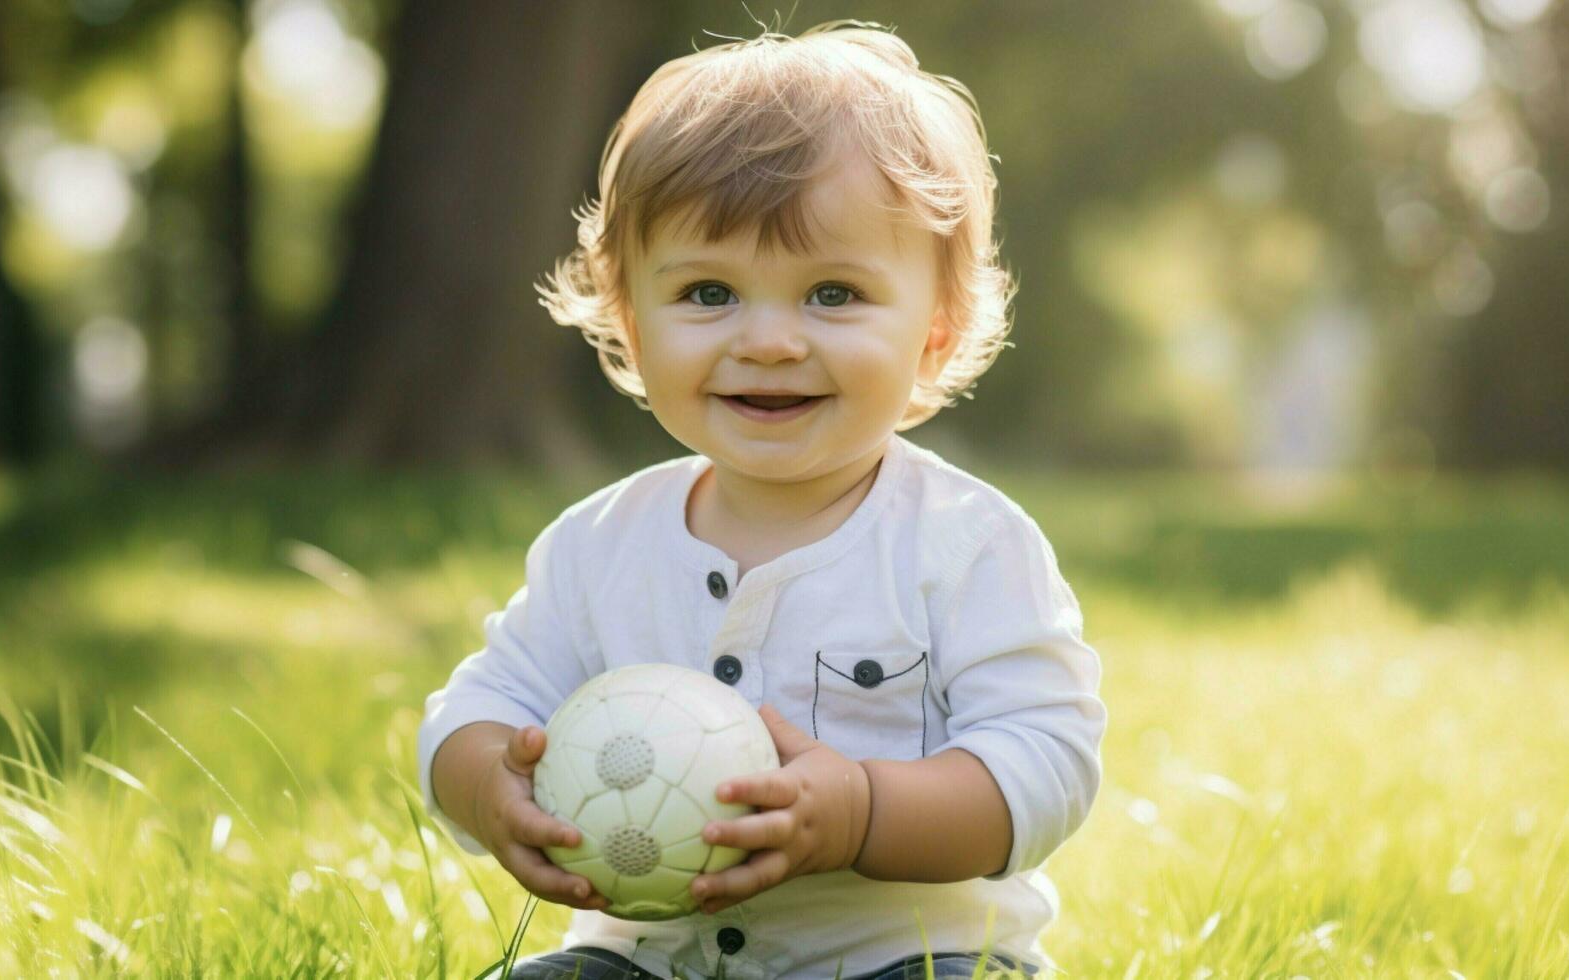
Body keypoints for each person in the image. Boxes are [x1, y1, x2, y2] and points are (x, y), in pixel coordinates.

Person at [418, 20, 1106, 980]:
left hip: (907, 958)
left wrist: (864, 812)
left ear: (936, 335)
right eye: (707, 293)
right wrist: (489, 787)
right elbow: (473, 708)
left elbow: (1045, 765)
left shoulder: (964, 545)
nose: (769, 340)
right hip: (646, 958)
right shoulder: (599, 546)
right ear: (628, 323)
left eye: (831, 294)